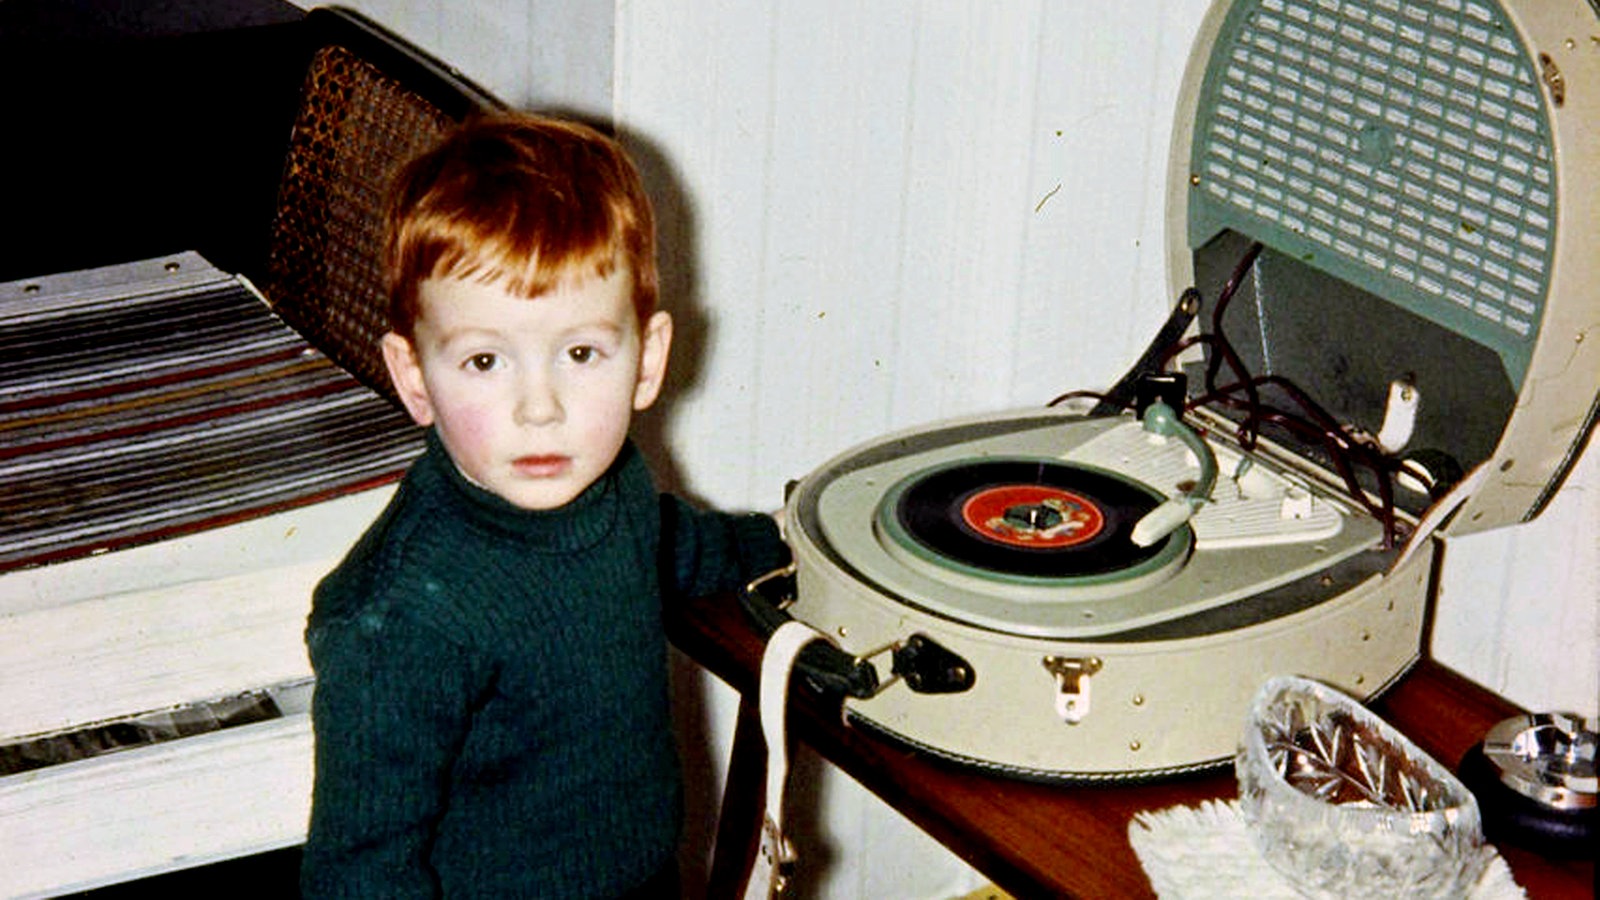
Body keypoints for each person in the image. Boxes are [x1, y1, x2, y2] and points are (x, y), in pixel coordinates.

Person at [300, 112, 789, 899]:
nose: (541, 408)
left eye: (581, 353)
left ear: (648, 358)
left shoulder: (613, 481)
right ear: (415, 376)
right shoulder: (399, 620)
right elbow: (360, 874)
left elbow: (663, 543)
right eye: (486, 360)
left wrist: (789, 546)